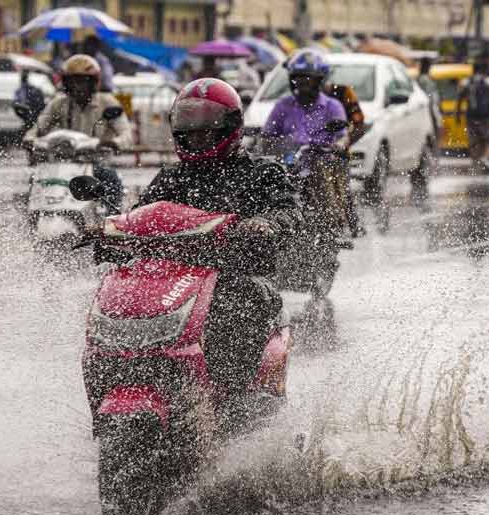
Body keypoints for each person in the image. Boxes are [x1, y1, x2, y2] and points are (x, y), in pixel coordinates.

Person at [128, 78, 301, 422]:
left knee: (232, 304)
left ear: (230, 128)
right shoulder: (170, 178)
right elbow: (140, 218)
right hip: (174, 283)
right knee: (126, 301)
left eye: (204, 130)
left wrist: (266, 224)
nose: (194, 137)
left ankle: (234, 401)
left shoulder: (262, 173)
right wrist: (107, 230)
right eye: (188, 128)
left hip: (241, 276)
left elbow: (289, 211)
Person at [262, 49, 349, 301]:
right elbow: (267, 138)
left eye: (308, 79)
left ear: (319, 81)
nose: (302, 84)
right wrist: (273, 146)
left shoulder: (333, 106)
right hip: (289, 166)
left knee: (323, 174)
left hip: (321, 166)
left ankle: (333, 224)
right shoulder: (282, 106)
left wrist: (336, 145)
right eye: (298, 78)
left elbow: (342, 136)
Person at [37, 54, 132, 208]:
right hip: (63, 163)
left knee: (110, 178)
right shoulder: (58, 103)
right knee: (36, 179)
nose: (78, 86)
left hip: (95, 163)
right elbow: (39, 126)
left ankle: (111, 220)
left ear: (93, 82)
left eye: (83, 81)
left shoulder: (107, 102)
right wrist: (30, 139)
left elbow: (127, 134)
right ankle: (33, 218)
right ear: (66, 83)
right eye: (73, 81)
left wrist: (113, 143)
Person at [324, 80, 369, 236]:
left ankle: (352, 223)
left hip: (336, 154)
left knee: (342, 190)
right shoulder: (295, 100)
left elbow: (359, 124)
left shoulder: (342, 93)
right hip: (304, 153)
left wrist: (344, 143)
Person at [456, 59, 489, 169]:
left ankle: (475, 161)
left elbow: (460, 99)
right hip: (485, 116)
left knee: (473, 139)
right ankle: (485, 158)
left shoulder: (466, 81)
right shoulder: (488, 81)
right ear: (483, 70)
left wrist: (457, 113)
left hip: (471, 115)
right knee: (488, 139)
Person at [416, 56, 443, 142]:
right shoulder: (425, 80)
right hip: (429, 114)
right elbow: (430, 100)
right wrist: (436, 117)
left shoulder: (421, 79)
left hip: (427, 113)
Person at [14, 68, 46, 132]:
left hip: (32, 115)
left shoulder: (30, 89)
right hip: (29, 116)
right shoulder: (21, 90)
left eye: (24, 76)